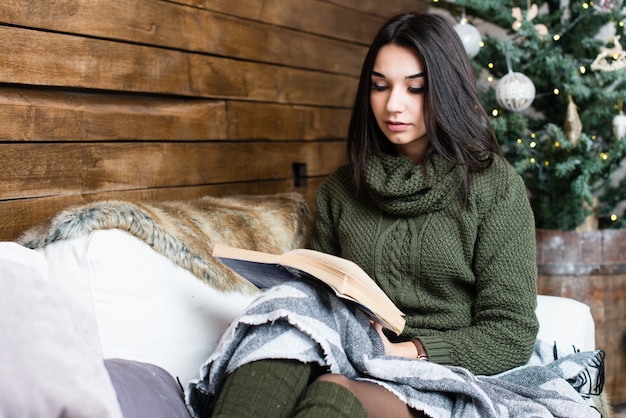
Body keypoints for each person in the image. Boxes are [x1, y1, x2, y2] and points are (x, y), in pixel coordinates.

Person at [194, 11, 539, 418]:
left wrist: (410, 350)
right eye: (380, 86)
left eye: (415, 89)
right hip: (351, 350)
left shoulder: (494, 187)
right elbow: (322, 297)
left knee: (333, 391)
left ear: (447, 90)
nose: (393, 104)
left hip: (438, 370)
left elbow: (511, 333)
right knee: (289, 313)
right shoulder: (342, 190)